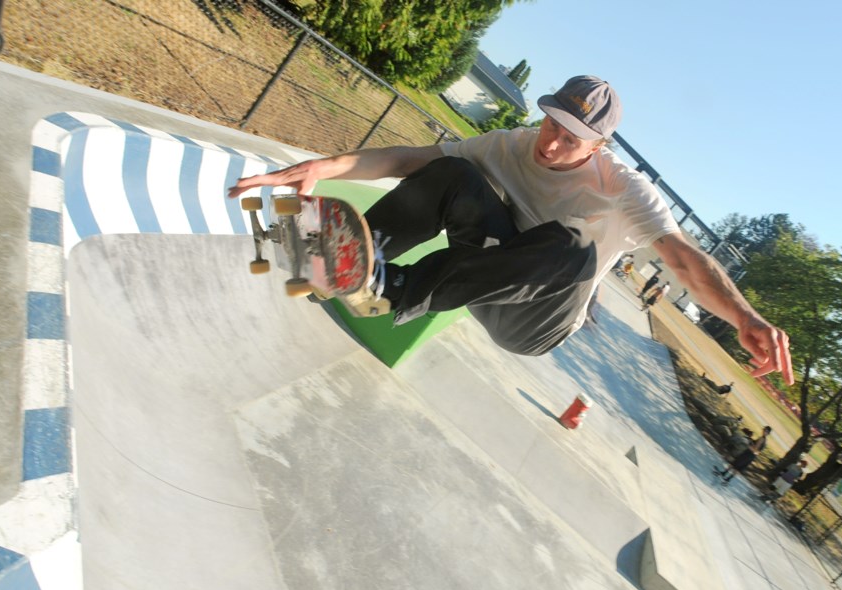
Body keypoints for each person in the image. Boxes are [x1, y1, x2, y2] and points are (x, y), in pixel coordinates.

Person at [228, 75, 794, 385]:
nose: (549, 143)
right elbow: (409, 160)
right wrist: (327, 165)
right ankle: (357, 261)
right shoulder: (512, 142)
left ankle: (393, 294)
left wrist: (745, 316)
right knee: (450, 169)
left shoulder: (625, 190)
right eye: (551, 124)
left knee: (576, 246)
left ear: (599, 147)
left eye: (571, 139)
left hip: (536, 319)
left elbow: (685, 259)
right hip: (486, 273)